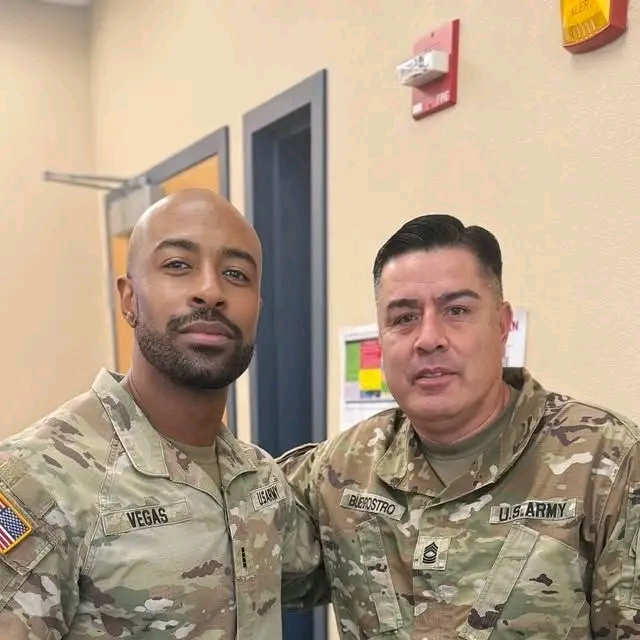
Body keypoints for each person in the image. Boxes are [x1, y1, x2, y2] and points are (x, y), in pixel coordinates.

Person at [279, 214, 640, 639]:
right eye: (403, 317)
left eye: (457, 310)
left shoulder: (608, 463)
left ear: (502, 325)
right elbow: (240, 557)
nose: (428, 338)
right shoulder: (341, 468)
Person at [0, 188, 322, 639]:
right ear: (129, 299)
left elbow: (342, 561)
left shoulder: (259, 480)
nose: (210, 291)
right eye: (177, 265)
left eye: (236, 274)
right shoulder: (37, 481)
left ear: (257, 310)